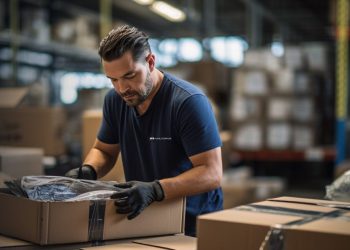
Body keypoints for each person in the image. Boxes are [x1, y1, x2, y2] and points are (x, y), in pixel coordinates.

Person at [65, 25, 223, 236]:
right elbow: (104, 150)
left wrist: (155, 190)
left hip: (193, 224)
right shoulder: (115, 101)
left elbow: (211, 172)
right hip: (144, 217)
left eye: (129, 76)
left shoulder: (188, 102)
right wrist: (89, 170)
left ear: (150, 62)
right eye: (113, 80)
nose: (122, 88)